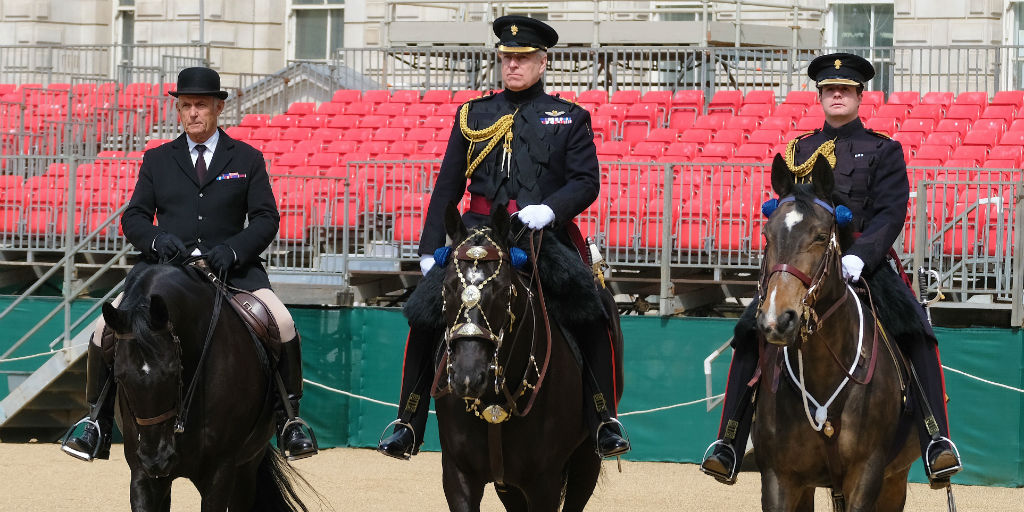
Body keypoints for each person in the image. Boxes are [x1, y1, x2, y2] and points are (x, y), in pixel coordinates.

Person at [700, 53, 962, 486]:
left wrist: (862, 255)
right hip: (806, 266)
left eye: (845, 89)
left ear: (860, 95)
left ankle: (937, 440)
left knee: (918, 332)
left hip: (864, 265)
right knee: (750, 331)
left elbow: (891, 213)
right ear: (820, 96)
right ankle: (729, 440)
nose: (836, 95)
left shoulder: (884, 149)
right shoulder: (799, 150)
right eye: (828, 89)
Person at [377, 15, 630, 460]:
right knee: (422, 314)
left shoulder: (570, 117)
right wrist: (426, 250)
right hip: (475, 237)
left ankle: (602, 418)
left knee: (591, 309)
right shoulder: (474, 114)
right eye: (507, 57)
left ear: (542, 62)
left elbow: (586, 181)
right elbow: (448, 185)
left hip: (539, 234)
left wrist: (549, 209)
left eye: (523, 58)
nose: (513, 65)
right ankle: (408, 421)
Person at [61, 66, 317, 462]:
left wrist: (232, 251)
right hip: (164, 272)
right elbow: (135, 217)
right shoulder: (158, 159)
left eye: (201, 105)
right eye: (186, 106)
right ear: (178, 110)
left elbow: (266, 217)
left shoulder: (246, 158)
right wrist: (158, 239)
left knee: (282, 322)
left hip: (232, 270)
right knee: (101, 331)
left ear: (218, 108)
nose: (193, 113)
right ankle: (96, 421)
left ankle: (289, 420)